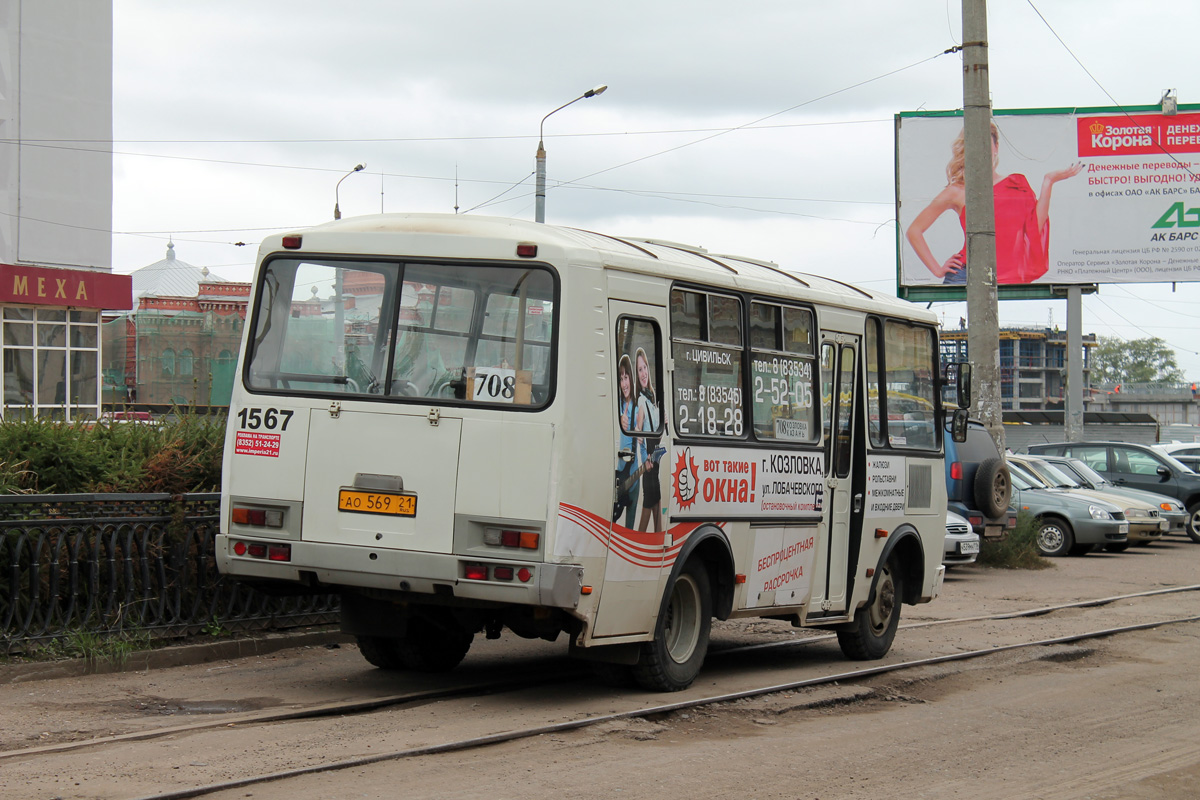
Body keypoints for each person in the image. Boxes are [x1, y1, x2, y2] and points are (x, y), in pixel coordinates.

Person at [905, 121, 1082, 285]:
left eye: (986, 146)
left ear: (996, 148)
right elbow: (914, 231)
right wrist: (937, 270)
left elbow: (1035, 226)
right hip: (965, 276)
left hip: (1006, 279)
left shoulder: (1016, 183)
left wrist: (1048, 182)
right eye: (974, 146)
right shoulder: (957, 191)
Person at [634, 347, 663, 533]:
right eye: (639, 370)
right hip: (650, 460)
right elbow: (639, 433)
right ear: (637, 374)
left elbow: (657, 431)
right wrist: (646, 460)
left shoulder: (653, 398)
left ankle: (653, 540)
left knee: (655, 502)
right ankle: (642, 539)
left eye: (645, 367)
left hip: (656, 457)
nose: (643, 373)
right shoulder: (641, 401)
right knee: (651, 502)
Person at [613, 354, 641, 529]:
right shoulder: (617, 405)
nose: (624, 384)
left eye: (626, 378)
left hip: (634, 477)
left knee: (630, 530)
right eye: (621, 379)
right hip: (619, 476)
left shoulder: (638, 406)